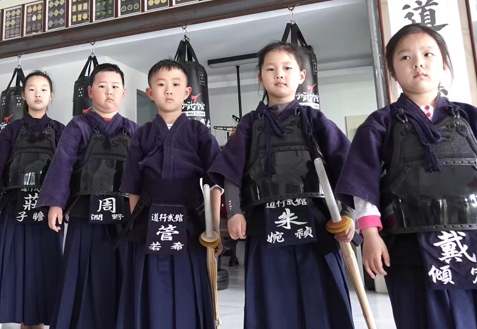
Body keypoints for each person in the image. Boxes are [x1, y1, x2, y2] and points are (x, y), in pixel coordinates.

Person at [335, 24, 477, 329]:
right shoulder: (380, 124)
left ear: (444, 64)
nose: (417, 63)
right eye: (405, 57)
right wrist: (370, 235)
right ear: (392, 72)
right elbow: (362, 180)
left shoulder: (472, 118)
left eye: (427, 54)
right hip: (414, 248)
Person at [207, 42, 354, 329]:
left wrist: (349, 214)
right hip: (265, 223)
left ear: (301, 75)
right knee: (272, 300)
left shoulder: (315, 120)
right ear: (261, 78)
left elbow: (348, 168)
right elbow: (231, 172)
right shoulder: (250, 124)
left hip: (317, 223)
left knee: (322, 297)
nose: (279, 74)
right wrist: (234, 212)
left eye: (287, 68)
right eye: (271, 69)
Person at [119, 59, 222, 329]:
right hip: (149, 216)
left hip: (191, 218)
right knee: (149, 282)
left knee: (189, 280)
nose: (168, 90)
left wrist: (213, 227)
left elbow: (214, 183)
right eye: (161, 84)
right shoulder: (142, 134)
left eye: (176, 85)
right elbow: (133, 187)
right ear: (150, 92)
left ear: (187, 92)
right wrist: (138, 224)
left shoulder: (199, 132)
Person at [37, 63, 140, 329]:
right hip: (85, 211)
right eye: (102, 86)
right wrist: (55, 204)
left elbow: (144, 171)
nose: (109, 92)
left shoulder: (134, 129)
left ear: (123, 93)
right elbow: (63, 163)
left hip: (124, 214)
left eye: (115, 87)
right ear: (90, 92)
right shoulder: (78, 126)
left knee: (123, 269)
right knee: (81, 269)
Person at [0, 71, 65, 329]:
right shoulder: (12, 129)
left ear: (51, 95)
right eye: (32, 89)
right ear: (23, 95)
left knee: (46, 264)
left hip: (47, 209)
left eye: (43, 89)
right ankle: (24, 320)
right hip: (14, 207)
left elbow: (67, 170)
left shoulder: (60, 130)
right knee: (15, 264)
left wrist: (60, 204)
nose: (38, 94)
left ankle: (41, 321)